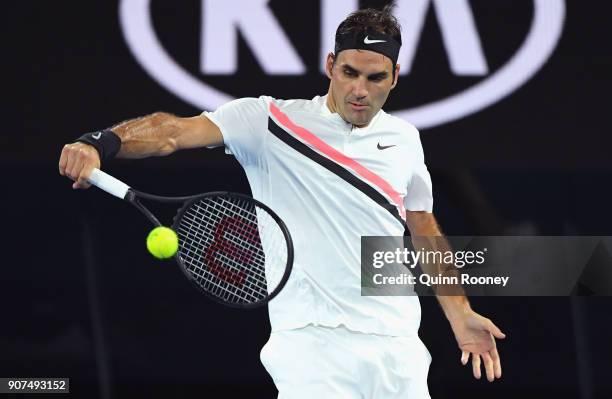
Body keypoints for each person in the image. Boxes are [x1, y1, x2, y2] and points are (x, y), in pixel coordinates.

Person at [59, 5, 505, 398]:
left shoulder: (405, 139)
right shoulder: (269, 121)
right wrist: (101, 142)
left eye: (375, 77)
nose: (359, 90)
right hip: (313, 345)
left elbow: (423, 226)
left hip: (398, 343)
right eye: (349, 72)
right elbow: (170, 131)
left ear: (394, 77)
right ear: (330, 64)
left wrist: (459, 311)